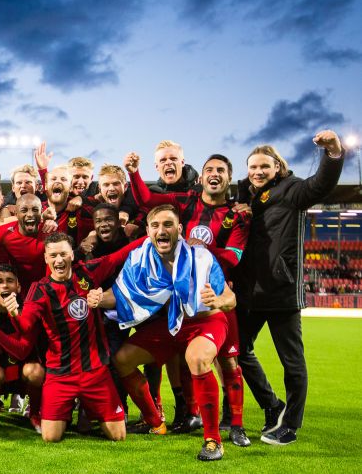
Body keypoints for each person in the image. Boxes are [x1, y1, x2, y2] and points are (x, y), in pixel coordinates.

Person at [125, 151, 252, 446]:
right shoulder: (186, 202)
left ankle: (236, 425)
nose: (214, 174)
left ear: (228, 177)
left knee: (229, 363)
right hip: (180, 298)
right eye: (209, 169)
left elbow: (233, 258)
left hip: (216, 295)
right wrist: (133, 172)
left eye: (221, 170)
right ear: (202, 176)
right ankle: (188, 412)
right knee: (183, 355)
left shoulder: (238, 216)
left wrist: (199, 251)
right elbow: (147, 202)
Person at [94, 204, 236, 461]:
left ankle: (213, 440)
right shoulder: (139, 257)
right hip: (174, 324)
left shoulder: (199, 256)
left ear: (179, 229)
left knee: (198, 359)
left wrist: (218, 301)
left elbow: (230, 298)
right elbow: (119, 294)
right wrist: (96, 298)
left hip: (206, 321)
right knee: (122, 359)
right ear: (148, 231)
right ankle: (154, 421)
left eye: (168, 224)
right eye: (156, 225)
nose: (162, 230)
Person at [0, 231, 141, 443]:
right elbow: (25, 326)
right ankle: (68, 409)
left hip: (95, 371)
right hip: (60, 374)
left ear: (72, 254)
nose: (58, 260)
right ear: (45, 258)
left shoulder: (88, 273)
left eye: (63, 254)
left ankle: (86, 408)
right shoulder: (39, 289)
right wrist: (14, 313)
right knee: (50, 437)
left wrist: (152, 236)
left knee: (118, 436)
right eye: (53, 255)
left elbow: (120, 255)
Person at [234, 130, 344, 446]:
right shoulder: (246, 196)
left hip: (281, 292)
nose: (257, 172)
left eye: (264, 167)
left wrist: (333, 154)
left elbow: (320, 185)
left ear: (277, 167)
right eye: (253, 167)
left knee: (292, 363)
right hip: (249, 293)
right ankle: (272, 405)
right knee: (238, 352)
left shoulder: (292, 190)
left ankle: (291, 425)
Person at [0, 264, 45, 432]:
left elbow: (22, 352)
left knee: (35, 371)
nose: (5, 285)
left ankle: (35, 412)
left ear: (18, 287)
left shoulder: (29, 311)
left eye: (10, 281)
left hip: (23, 371)